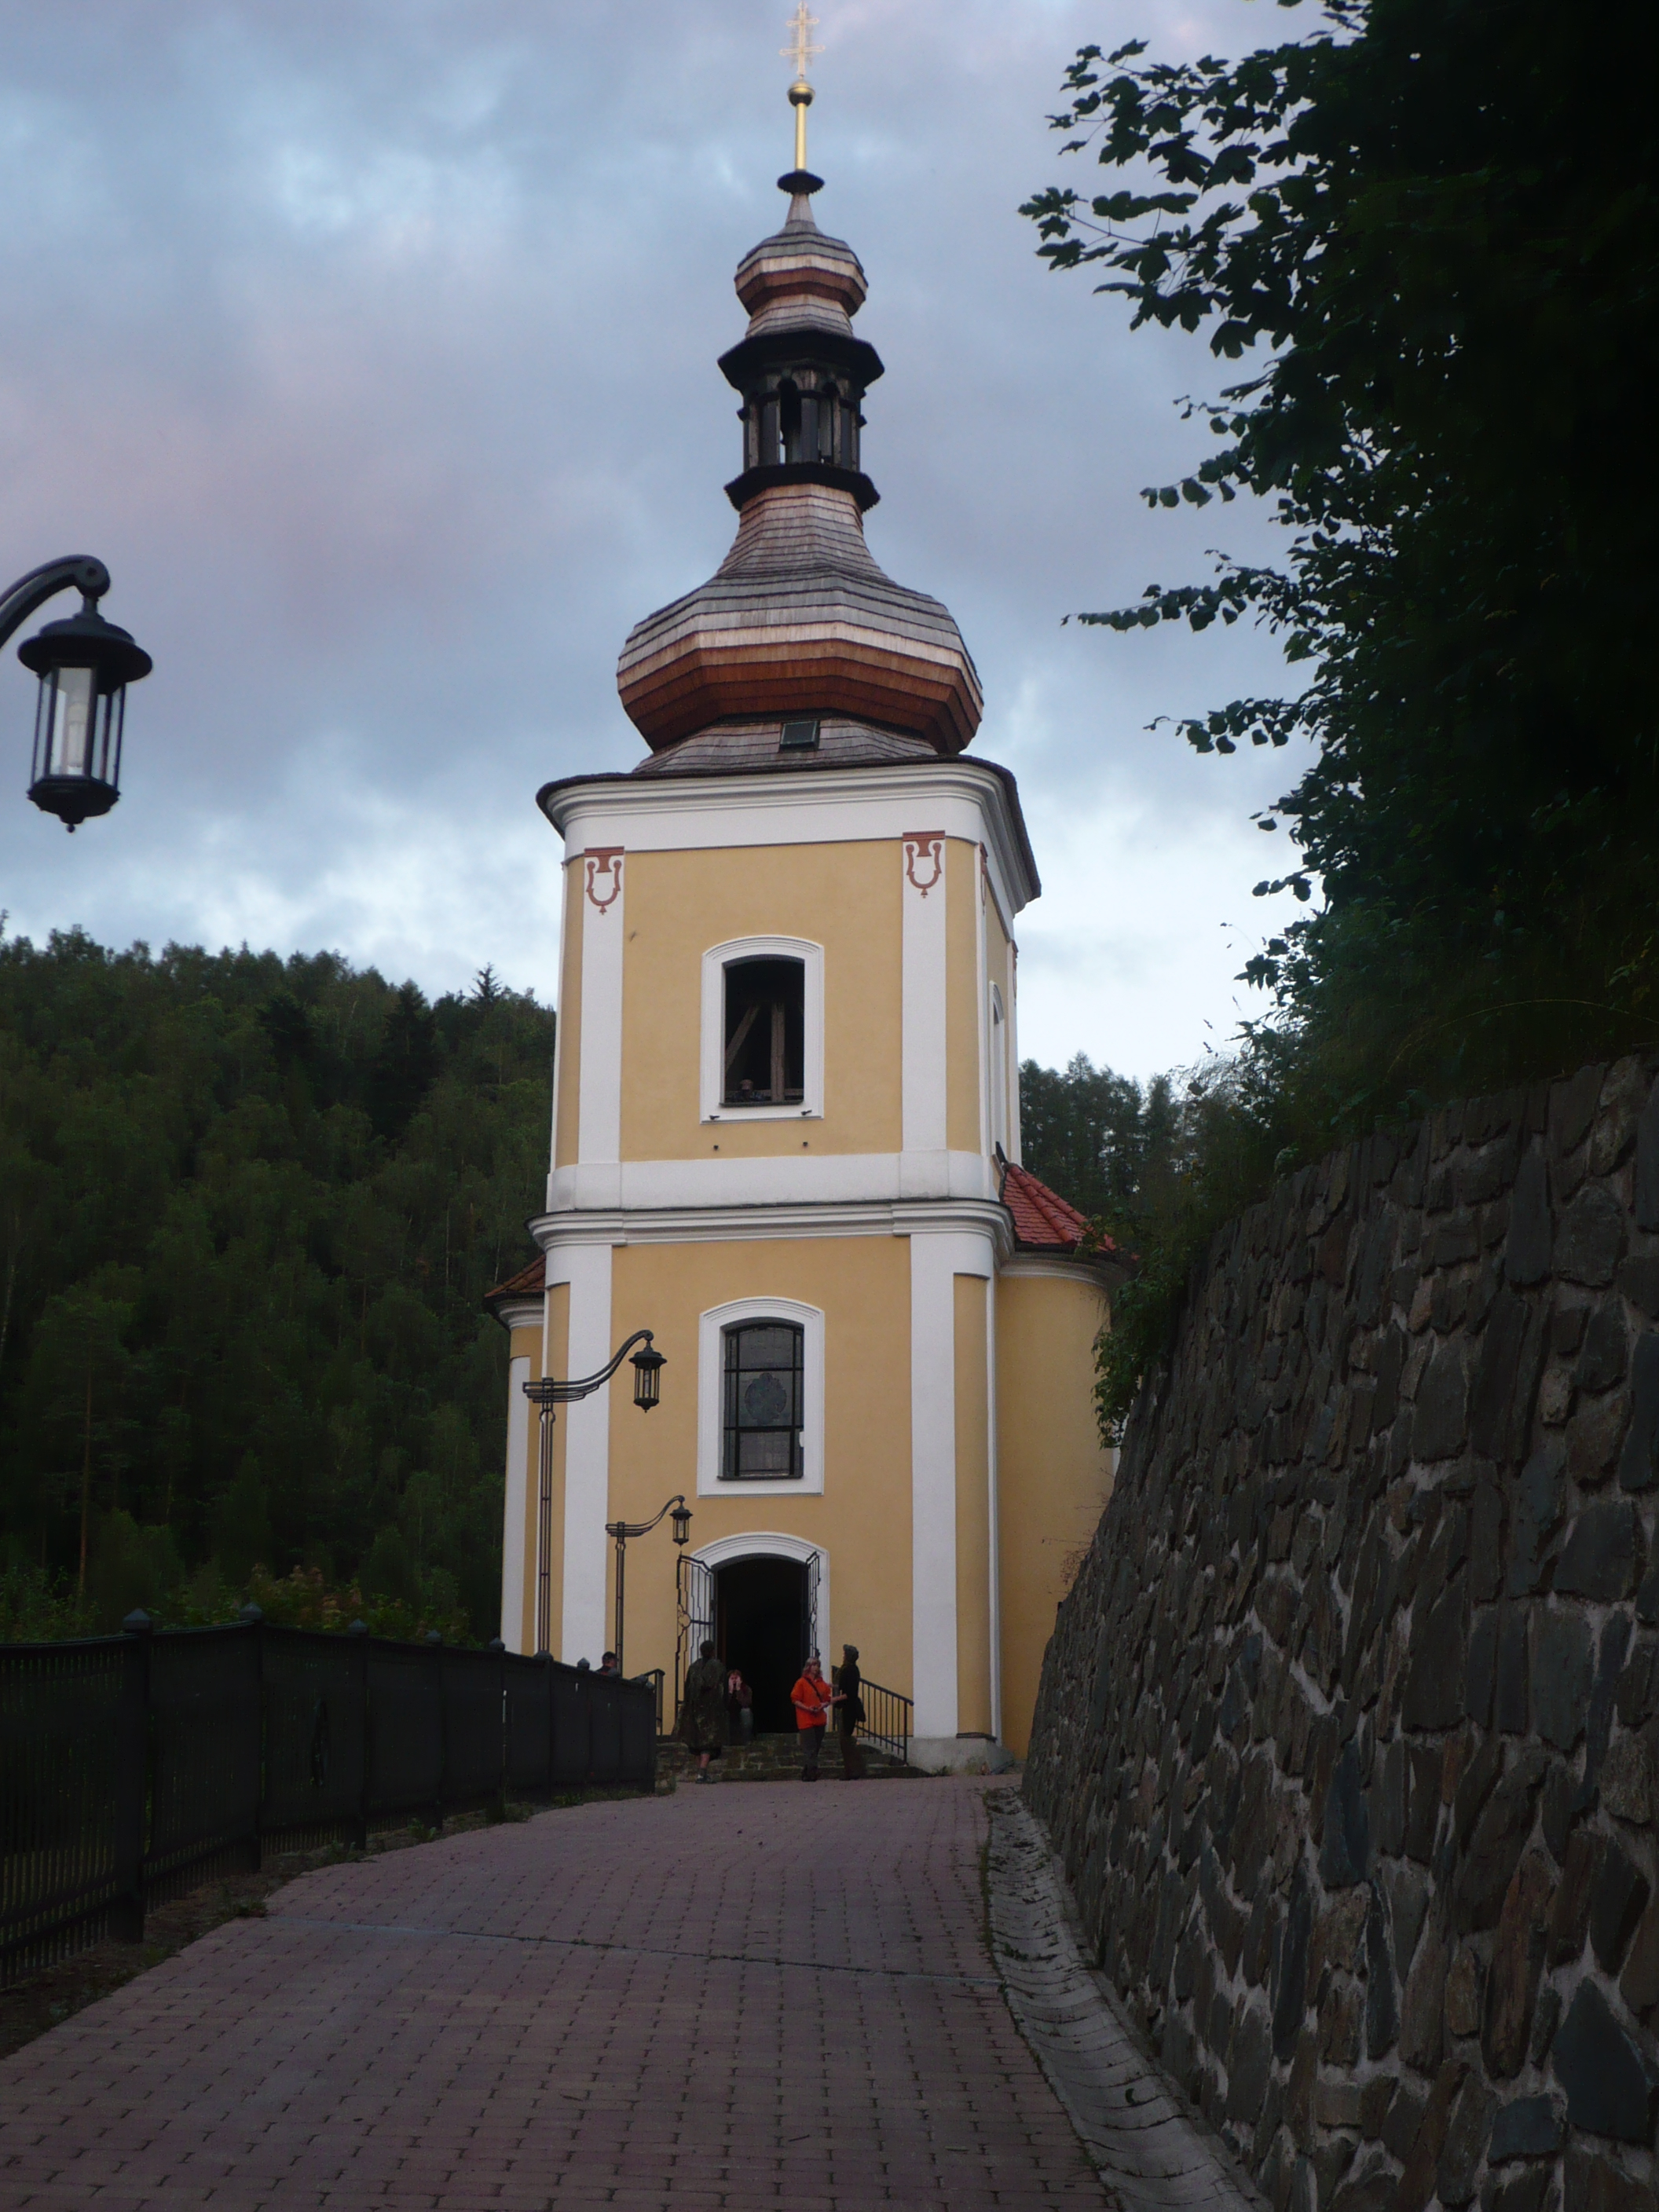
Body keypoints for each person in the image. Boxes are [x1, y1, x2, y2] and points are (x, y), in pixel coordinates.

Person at [679, 1639, 727, 1783]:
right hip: (711, 1710)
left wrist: (687, 1706)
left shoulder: (693, 1667)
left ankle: (700, 1773)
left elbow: (687, 1689)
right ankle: (702, 1773)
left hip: (694, 1709)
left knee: (696, 1743)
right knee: (708, 1743)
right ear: (713, 1651)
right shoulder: (718, 1667)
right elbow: (722, 1690)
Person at [789, 1653, 840, 1780]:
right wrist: (808, 1708)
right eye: (813, 1665)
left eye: (817, 1665)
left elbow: (827, 1699)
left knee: (816, 1747)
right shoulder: (801, 1683)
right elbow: (795, 1699)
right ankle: (813, 1773)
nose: (816, 1668)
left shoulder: (822, 1684)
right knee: (810, 1747)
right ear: (808, 1667)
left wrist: (824, 1705)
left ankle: (806, 1773)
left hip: (820, 1719)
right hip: (806, 1719)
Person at [834, 1644, 866, 1780]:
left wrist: (833, 1700)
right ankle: (852, 1770)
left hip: (849, 1709)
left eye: (844, 1654)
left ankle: (853, 1770)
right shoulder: (851, 1669)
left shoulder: (850, 1670)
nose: (843, 1656)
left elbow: (849, 1693)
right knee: (845, 1740)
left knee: (846, 1741)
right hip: (848, 1708)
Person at [727, 1666, 754, 1743]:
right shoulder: (724, 1690)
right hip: (730, 1717)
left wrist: (738, 1690)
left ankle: (746, 1741)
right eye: (732, 1679)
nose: (734, 1681)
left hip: (741, 1717)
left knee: (746, 1712)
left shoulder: (746, 1689)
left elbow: (746, 1704)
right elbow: (724, 1705)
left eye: (736, 1678)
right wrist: (730, 1692)